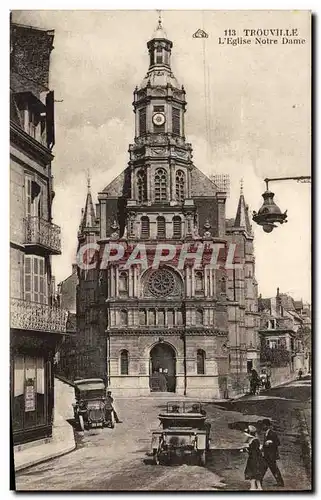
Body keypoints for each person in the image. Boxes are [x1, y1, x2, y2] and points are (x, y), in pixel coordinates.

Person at [260, 418, 284, 487]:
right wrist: (263, 447)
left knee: (271, 469)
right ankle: (280, 482)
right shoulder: (266, 433)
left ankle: (280, 482)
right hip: (267, 455)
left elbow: (277, 443)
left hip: (271, 455)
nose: (262, 427)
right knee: (265, 468)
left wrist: (270, 443)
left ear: (267, 426)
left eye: (263, 425)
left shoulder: (272, 433)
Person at [241, 425, 264, 490]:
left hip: (253, 458)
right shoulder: (255, 440)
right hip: (257, 458)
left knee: (252, 472)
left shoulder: (253, 441)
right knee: (257, 473)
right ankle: (259, 487)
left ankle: (253, 487)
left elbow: (252, 451)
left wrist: (245, 450)